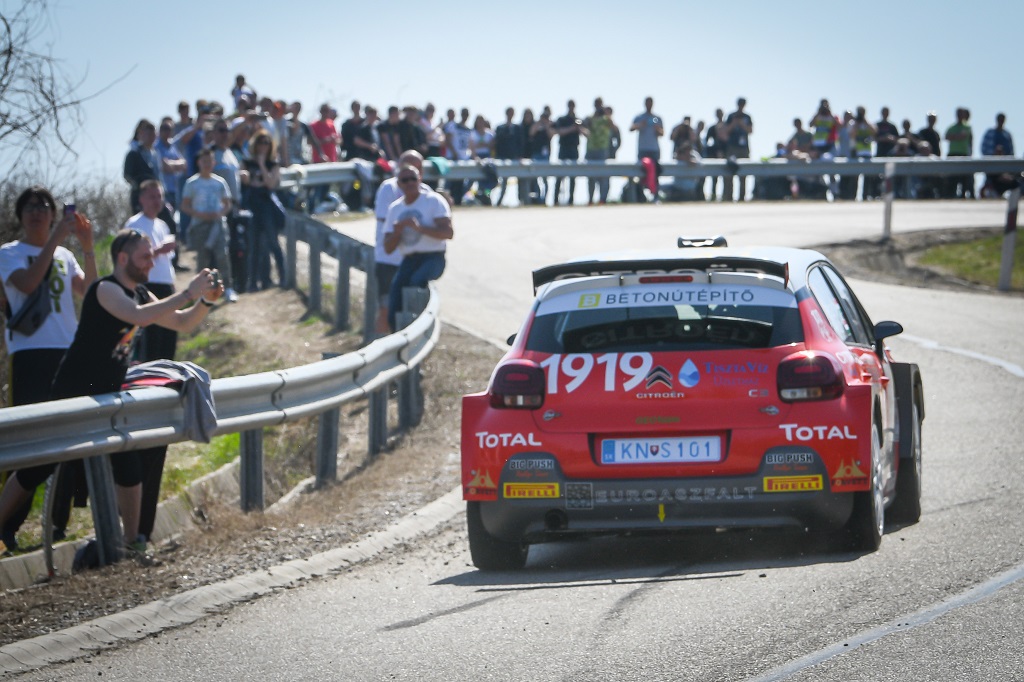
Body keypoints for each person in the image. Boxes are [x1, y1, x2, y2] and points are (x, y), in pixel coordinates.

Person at [45, 229, 223, 558]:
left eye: (152, 256)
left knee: (128, 467)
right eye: (145, 256)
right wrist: (188, 291)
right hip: (74, 392)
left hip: (108, 395)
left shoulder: (140, 292)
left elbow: (181, 323)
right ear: (123, 258)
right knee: (34, 469)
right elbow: (140, 317)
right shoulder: (105, 289)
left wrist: (205, 301)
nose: (151, 262)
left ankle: (133, 544)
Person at [0, 188, 97, 552]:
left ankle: (57, 525)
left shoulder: (66, 255)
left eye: (44, 206)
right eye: (30, 206)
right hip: (29, 354)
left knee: (67, 436)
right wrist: (55, 239)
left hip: (66, 352)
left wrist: (87, 247)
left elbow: (91, 291)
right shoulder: (9, 253)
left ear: (54, 214)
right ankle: (7, 526)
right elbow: (26, 284)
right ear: (20, 215)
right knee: (28, 441)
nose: (37, 211)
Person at [382, 164, 453, 331]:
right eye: (405, 180)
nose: (409, 183)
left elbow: (448, 233)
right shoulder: (395, 209)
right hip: (409, 260)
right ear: (399, 184)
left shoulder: (433, 201)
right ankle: (399, 334)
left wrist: (419, 228)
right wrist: (397, 232)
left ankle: (421, 328)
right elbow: (388, 248)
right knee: (395, 299)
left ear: (420, 179)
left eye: (413, 179)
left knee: (416, 283)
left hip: (433, 257)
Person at [373, 150, 429, 334]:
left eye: (417, 170)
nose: (410, 179)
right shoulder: (388, 188)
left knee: (412, 308)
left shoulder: (427, 193)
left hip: (414, 260)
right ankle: (381, 343)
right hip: (389, 260)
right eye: (408, 169)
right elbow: (388, 220)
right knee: (386, 306)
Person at [182, 147, 237, 302]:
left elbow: (227, 203)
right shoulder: (192, 183)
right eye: (204, 161)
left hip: (217, 224)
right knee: (203, 258)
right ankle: (201, 292)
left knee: (222, 255)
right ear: (199, 162)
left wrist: (220, 213)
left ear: (213, 162)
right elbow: (185, 205)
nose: (207, 164)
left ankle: (228, 288)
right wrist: (199, 214)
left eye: (209, 161)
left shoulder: (219, 182)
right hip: (200, 225)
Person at [242, 130, 285, 291]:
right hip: (252, 206)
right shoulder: (247, 163)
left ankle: (282, 277)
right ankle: (253, 282)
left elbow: (270, 183)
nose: (263, 146)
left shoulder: (273, 164)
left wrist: (261, 164)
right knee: (254, 245)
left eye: (266, 143)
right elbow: (246, 181)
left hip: (267, 206)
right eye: (260, 142)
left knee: (272, 242)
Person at [554, 100, 585, 206]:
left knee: (573, 176)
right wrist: (572, 128)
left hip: (574, 149)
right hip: (564, 148)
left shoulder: (579, 120)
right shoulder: (562, 119)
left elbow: (585, 133)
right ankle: (555, 199)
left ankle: (571, 199)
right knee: (560, 175)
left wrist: (579, 128)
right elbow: (559, 131)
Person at [494, 107, 525, 206]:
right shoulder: (500, 128)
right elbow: (498, 142)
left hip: (515, 157)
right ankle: (499, 201)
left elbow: (520, 143)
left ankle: (521, 200)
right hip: (503, 157)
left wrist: (520, 156)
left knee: (520, 179)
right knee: (504, 180)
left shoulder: (517, 128)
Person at [981, 113, 1016, 196]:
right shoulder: (990, 133)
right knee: (991, 185)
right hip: (991, 166)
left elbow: (1011, 151)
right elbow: (984, 148)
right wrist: (994, 153)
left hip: (1005, 167)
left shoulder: (1007, 135)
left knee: (1014, 183)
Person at [724, 97, 753, 201]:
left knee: (743, 172)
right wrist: (734, 123)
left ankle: (742, 197)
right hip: (732, 147)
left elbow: (750, 131)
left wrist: (742, 124)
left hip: (743, 148)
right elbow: (726, 131)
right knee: (729, 171)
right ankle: (728, 197)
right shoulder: (731, 116)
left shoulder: (747, 117)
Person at [585, 99, 613, 205]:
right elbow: (584, 126)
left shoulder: (606, 119)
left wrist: (606, 114)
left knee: (603, 176)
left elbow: (614, 127)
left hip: (602, 150)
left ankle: (602, 199)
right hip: (591, 149)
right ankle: (590, 199)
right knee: (591, 177)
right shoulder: (590, 118)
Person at [704, 108, 727, 200]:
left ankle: (726, 196)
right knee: (715, 177)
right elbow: (706, 141)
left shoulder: (727, 127)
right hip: (715, 154)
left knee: (727, 176)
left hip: (726, 153)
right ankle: (713, 195)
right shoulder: (712, 128)